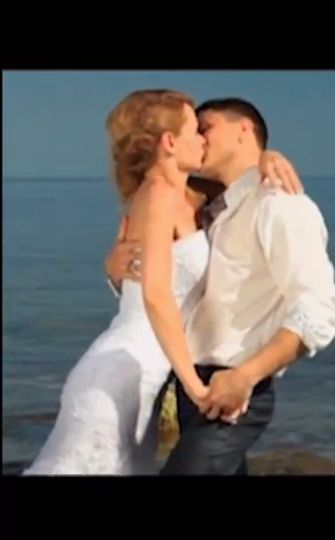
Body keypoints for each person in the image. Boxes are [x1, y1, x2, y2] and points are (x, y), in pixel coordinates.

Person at [23, 89, 301, 475]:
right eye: (195, 130)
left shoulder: (187, 195)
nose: (203, 140)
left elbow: (239, 182)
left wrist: (267, 158)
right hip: (122, 372)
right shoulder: (158, 195)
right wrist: (195, 387)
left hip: (148, 375)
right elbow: (155, 296)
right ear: (170, 142)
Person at [104, 97, 335, 475]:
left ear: (243, 129)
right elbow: (178, 289)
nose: (199, 138)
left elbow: (318, 311)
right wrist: (117, 272)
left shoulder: (280, 205)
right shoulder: (202, 204)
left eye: (207, 128)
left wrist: (245, 376)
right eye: (194, 131)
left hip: (235, 391)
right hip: (187, 386)